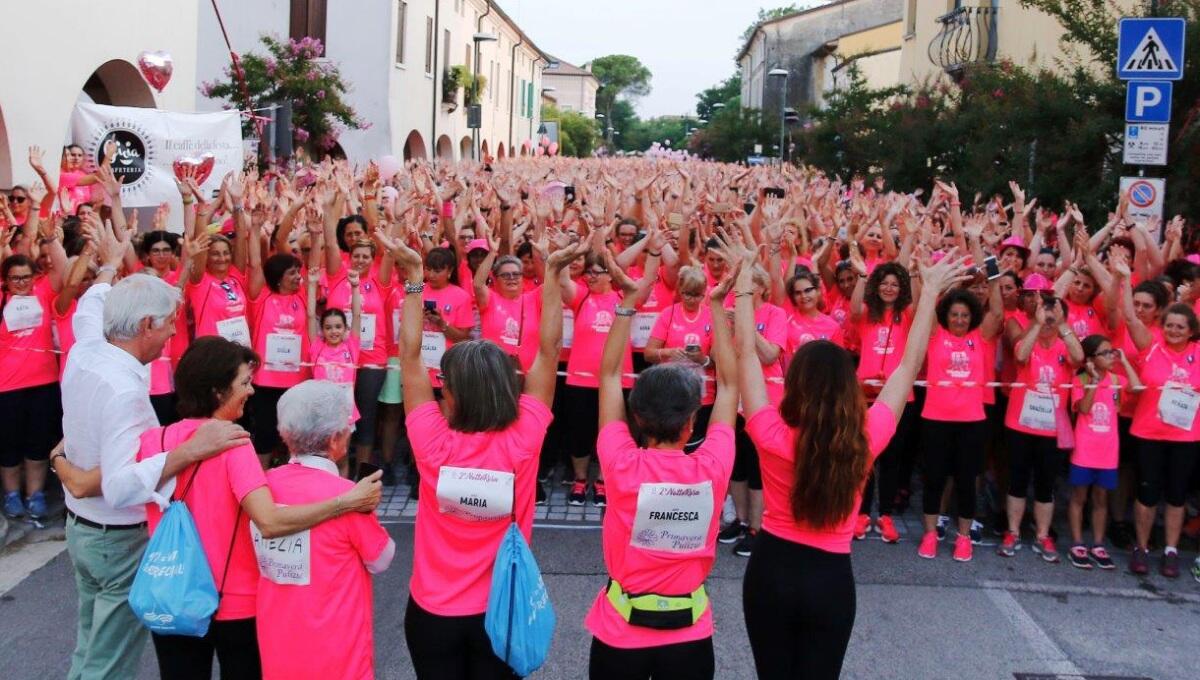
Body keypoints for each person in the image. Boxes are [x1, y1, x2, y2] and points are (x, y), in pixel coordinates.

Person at [739, 245, 967, 680]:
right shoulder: (863, 439)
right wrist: (930, 294)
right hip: (830, 579)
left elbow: (747, 355)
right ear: (848, 386)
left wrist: (743, 286)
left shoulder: (770, 433)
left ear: (795, 384)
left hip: (771, 570)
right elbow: (907, 366)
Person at [49, 220, 250, 680]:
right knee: (109, 665)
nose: (172, 335)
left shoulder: (86, 346)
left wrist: (110, 265)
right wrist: (189, 451)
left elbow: (92, 303)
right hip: (116, 539)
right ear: (145, 325)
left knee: (88, 650)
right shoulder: (125, 392)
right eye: (168, 324)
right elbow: (122, 487)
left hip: (83, 530)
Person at [136, 337, 382, 679]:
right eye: (244, 383)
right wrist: (347, 501)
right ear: (218, 392)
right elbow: (269, 521)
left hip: (171, 592)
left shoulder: (152, 441)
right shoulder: (235, 445)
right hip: (233, 600)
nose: (251, 391)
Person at [395, 230, 583, 679]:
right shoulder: (523, 439)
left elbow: (409, 356)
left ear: (452, 394)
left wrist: (416, 278)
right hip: (503, 610)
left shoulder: (431, 441)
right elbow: (549, 352)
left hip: (433, 613)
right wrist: (552, 276)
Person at [584, 254, 737, 680]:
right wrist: (717, 307)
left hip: (620, 634)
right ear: (692, 423)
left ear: (636, 417)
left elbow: (609, 376)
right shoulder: (712, 467)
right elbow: (729, 385)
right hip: (690, 637)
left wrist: (627, 303)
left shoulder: (620, 463)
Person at [255, 380, 396, 679]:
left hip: (277, 641)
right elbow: (382, 558)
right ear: (334, 440)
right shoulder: (348, 495)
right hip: (337, 649)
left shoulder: (262, 487)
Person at [916, 270, 1004, 561]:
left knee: (967, 481)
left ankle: (963, 537)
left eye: (965, 315)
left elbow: (997, 312)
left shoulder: (981, 337)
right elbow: (926, 306)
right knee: (934, 479)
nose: (959, 320)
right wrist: (933, 281)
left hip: (971, 422)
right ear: (946, 316)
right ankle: (930, 534)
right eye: (954, 314)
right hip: (936, 420)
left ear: (972, 317)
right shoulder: (935, 335)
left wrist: (993, 274)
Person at [998, 296, 1083, 561]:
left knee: (1046, 484)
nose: (1047, 322)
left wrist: (1062, 324)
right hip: (1020, 425)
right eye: (1043, 316)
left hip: (1051, 429)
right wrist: (1036, 323)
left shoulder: (1064, 345)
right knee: (1018, 480)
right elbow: (1020, 355)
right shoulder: (1029, 340)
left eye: (1051, 317)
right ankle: (1013, 531)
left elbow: (1079, 358)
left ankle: (1043, 535)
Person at [1066, 334, 1140, 570]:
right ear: (1090, 359)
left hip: (1108, 451)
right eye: (1105, 353)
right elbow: (1084, 408)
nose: (1111, 357)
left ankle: (1098, 544)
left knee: (1101, 498)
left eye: (1112, 352)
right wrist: (1094, 381)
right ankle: (1077, 542)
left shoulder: (1117, 380)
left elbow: (1136, 387)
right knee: (1079, 497)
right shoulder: (1080, 380)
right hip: (1085, 449)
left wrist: (1124, 361)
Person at [0, 252, 62, 518]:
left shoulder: (43, 291)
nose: (22, 283)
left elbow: (61, 269)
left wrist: (52, 240)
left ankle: (34, 494)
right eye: (15, 279)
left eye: (26, 277)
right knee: (9, 443)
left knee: (38, 442)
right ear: (5, 280)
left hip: (44, 383)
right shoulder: (2, 298)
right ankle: (12, 494)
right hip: (7, 387)